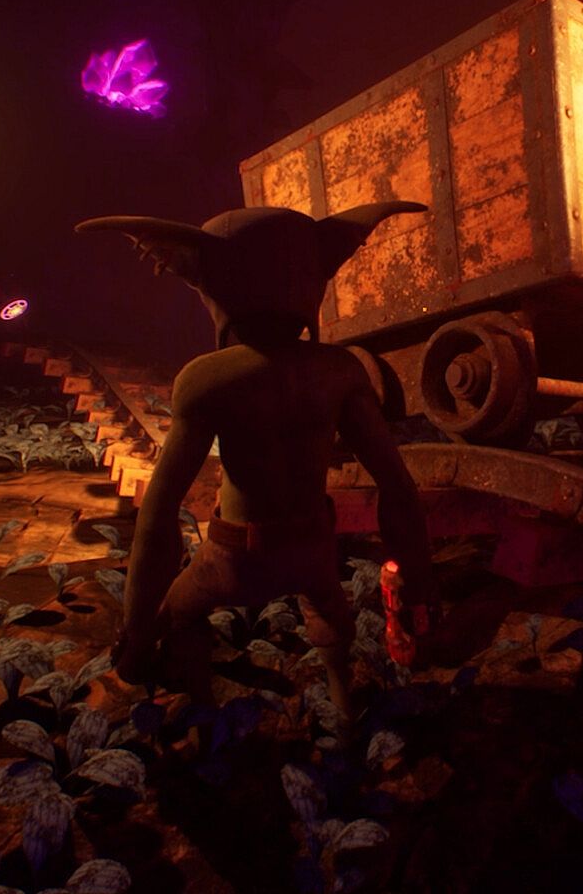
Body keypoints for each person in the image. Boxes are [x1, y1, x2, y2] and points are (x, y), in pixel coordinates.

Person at [77, 202, 440, 719]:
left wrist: (136, 630)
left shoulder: (207, 378)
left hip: (235, 561)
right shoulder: (340, 370)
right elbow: (396, 486)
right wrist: (419, 585)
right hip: (313, 550)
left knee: (176, 613)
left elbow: (158, 514)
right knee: (327, 608)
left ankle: (204, 715)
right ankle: (344, 714)